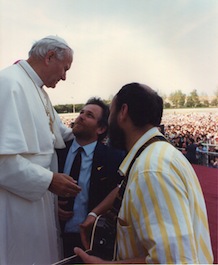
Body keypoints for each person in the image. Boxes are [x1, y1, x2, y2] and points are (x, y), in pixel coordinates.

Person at [74, 82, 213, 264]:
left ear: (123, 111)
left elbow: (174, 261)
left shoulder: (151, 170)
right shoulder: (156, 156)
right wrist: (95, 214)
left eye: (111, 112)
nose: (108, 122)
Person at [0, 36, 82, 265]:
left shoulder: (39, 91)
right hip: (15, 202)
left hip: (39, 198)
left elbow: (61, 134)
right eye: (65, 68)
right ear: (49, 57)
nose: (65, 77)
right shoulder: (8, 83)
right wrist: (47, 180)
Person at [56, 97, 125, 258]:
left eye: (89, 115)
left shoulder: (113, 158)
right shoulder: (57, 151)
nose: (80, 116)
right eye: (81, 112)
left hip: (91, 241)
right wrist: (52, 204)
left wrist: (95, 215)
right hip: (54, 235)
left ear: (101, 129)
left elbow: (119, 193)